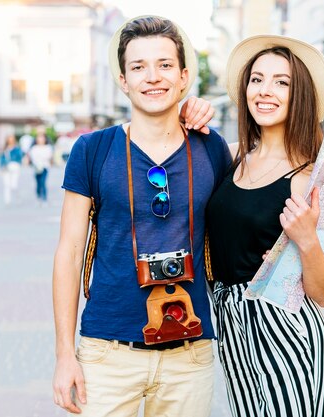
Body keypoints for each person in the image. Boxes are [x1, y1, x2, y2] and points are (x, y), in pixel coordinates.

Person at [52, 16, 231, 417]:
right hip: (107, 353)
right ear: (123, 80)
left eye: (165, 65)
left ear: (184, 77)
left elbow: (264, 162)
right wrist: (65, 354)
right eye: (139, 67)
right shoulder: (92, 149)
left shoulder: (210, 148)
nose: (153, 77)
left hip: (190, 355)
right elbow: (68, 253)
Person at [205, 35, 324, 417]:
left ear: (299, 94)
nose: (266, 91)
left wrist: (307, 242)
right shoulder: (231, 157)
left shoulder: (314, 177)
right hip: (231, 322)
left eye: (282, 82)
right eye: (257, 79)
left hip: (285, 325)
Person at [28, 132, 54, 204]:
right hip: (36, 167)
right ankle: (39, 195)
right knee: (38, 182)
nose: (40, 139)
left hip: (45, 167)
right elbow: (33, 157)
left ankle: (44, 197)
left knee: (43, 182)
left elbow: (48, 156)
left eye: (42, 138)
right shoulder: (34, 148)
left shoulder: (48, 147)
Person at [0, 134, 23, 205]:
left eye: (12, 140)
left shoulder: (17, 149)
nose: (10, 141)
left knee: (14, 185)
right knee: (7, 185)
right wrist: (1, 167)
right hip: (6, 168)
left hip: (15, 168)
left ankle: (18, 197)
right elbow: (1, 159)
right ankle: (7, 200)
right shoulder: (5, 149)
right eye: (9, 140)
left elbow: (19, 158)